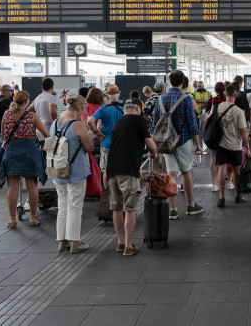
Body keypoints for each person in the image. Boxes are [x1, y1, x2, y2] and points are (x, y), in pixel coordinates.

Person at [108, 99, 158, 256]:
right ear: (138, 109)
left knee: (116, 208)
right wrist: (154, 153)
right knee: (130, 208)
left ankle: (121, 242)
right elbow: (150, 144)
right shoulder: (138, 120)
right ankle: (129, 246)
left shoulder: (118, 122)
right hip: (128, 170)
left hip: (112, 169)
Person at [153, 70, 204, 219]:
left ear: (170, 81)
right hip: (183, 140)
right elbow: (192, 124)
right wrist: (198, 144)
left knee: (171, 175)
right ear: (183, 82)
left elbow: (155, 123)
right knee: (186, 173)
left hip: (166, 143)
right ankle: (190, 206)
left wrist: (154, 144)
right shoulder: (186, 99)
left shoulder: (160, 99)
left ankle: (173, 210)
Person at [49, 95, 94, 254]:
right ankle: (75, 242)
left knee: (62, 206)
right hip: (75, 171)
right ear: (80, 109)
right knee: (75, 206)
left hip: (57, 170)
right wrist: (91, 135)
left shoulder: (55, 123)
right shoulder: (78, 125)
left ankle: (62, 241)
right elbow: (88, 148)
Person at [0, 91, 50, 229]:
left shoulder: (6, 115)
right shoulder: (31, 116)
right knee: (31, 185)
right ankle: (33, 218)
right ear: (26, 101)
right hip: (29, 151)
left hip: (11, 152)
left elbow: (4, 135)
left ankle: (12, 220)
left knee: (12, 186)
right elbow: (46, 134)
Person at [214, 84, 251, 208]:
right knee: (236, 171)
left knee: (221, 170)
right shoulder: (239, 111)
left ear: (225, 93)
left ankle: (221, 198)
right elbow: (243, 131)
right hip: (235, 146)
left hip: (220, 145)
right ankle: (238, 196)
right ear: (236, 94)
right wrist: (247, 148)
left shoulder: (216, 108)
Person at [86, 85, 124, 188]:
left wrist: (96, 132)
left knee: (107, 170)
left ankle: (107, 195)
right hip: (122, 145)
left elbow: (89, 121)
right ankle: (119, 194)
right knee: (121, 170)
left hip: (107, 143)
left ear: (107, 97)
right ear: (119, 95)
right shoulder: (125, 109)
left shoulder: (103, 109)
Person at [206, 82, 226, 192]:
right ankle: (225, 183)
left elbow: (207, 111)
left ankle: (214, 184)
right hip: (225, 133)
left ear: (215, 90)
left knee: (214, 159)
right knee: (223, 160)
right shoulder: (227, 100)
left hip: (214, 132)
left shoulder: (212, 100)